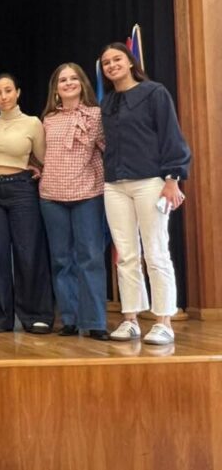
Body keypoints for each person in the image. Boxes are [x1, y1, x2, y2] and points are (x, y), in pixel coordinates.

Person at [99, 42, 191, 345]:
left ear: (129, 62)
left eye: (117, 59)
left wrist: (173, 178)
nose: (111, 65)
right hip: (114, 185)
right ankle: (130, 319)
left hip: (150, 181)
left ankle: (164, 320)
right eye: (106, 63)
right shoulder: (108, 103)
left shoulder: (154, 93)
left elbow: (170, 136)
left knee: (156, 251)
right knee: (125, 254)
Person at [39, 64, 109, 340]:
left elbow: (109, 150)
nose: (68, 83)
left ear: (83, 83)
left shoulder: (97, 115)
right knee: (61, 260)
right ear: (55, 89)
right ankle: (69, 319)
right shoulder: (48, 119)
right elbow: (42, 155)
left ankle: (95, 321)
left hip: (87, 195)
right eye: (62, 80)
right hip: (51, 196)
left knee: (90, 258)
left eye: (73, 78)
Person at [0, 73, 54, 333]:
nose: (3, 96)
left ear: (18, 92)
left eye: (8, 90)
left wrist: (36, 169)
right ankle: (0, 317)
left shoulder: (33, 123)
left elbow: (44, 159)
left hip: (22, 190)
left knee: (28, 252)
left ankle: (36, 314)